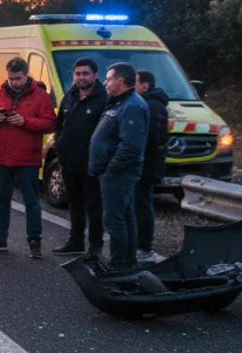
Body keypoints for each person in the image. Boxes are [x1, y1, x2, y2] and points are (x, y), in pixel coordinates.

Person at [0, 57, 57, 258]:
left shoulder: (40, 96)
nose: (14, 82)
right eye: (11, 78)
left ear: (26, 74)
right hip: (3, 155)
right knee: (2, 200)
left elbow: (50, 124)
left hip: (27, 156)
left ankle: (34, 242)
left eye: (18, 78)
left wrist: (25, 121)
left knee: (31, 201)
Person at [89, 63, 149, 271]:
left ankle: (118, 266)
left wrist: (111, 169)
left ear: (120, 81)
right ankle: (127, 263)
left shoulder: (131, 106)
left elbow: (130, 145)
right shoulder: (118, 102)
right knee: (125, 217)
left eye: (108, 79)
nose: (105, 83)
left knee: (114, 220)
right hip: (114, 171)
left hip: (118, 173)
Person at [51, 58, 108, 258]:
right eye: (78, 74)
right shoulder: (70, 96)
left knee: (94, 204)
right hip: (69, 160)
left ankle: (95, 245)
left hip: (92, 163)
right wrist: (59, 145)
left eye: (85, 74)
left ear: (95, 75)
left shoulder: (104, 99)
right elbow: (59, 124)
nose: (81, 77)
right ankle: (75, 240)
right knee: (74, 202)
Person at [134, 69, 169, 262]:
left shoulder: (152, 106)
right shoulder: (148, 104)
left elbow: (151, 139)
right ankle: (139, 245)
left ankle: (144, 248)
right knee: (139, 204)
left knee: (142, 205)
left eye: (135, 83)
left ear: (145, 85)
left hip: (146, 166)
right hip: (144, 164)